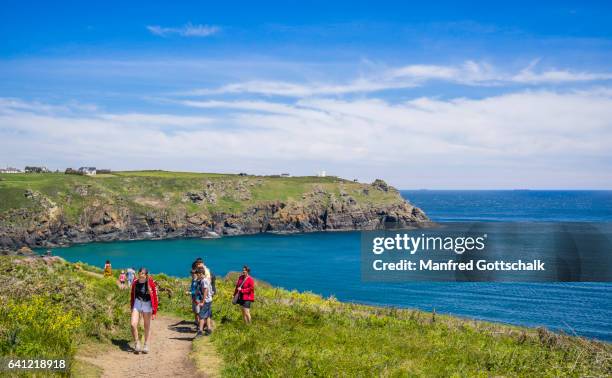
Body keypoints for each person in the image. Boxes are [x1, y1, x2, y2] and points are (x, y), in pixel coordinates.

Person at [129, 267, 158, 354]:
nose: (141, 274)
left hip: (147, 304)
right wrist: (131, 306)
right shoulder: (135, 283)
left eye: (142, 273)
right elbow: (132, 295)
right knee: (133, 324)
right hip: (137, 303)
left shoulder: (150, 283)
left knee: (146, 325)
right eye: (140, 273)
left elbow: (155, 297)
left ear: (146, 275)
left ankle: (146, 344)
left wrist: (154, 311)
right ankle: (137, 343)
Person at [195, 267, 213, 337]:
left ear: (201, 273)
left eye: (198, 274)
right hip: (209, 300)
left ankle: (200, 331)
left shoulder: (204, 281)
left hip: (205, 301)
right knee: (207, 315)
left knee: (201, 316)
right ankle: (209, 329)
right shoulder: (206, 280)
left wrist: (202, 301)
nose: (197, 276)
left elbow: (205, 291)